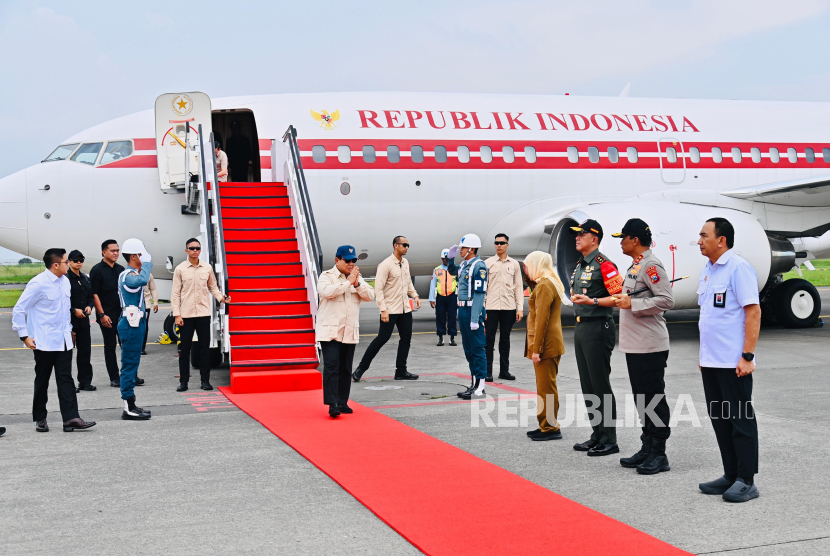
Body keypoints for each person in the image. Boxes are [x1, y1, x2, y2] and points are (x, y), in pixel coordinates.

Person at [696, 217, 761, 503]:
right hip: (711, 361)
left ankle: (746, 480)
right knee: (721, 419)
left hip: (734, 363)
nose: (699, 241)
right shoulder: (708, 270)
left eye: (704, 235)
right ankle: (730, 473)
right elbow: (711, 316)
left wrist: (747, 356)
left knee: (740, 421)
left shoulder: (738, 267)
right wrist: (704, 355)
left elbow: (753, 312)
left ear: (721, 240)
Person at [611, 219, 675, 474]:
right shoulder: (636, 265)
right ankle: (647, 447)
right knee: (642, 399)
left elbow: (666, 300)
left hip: (650, 344)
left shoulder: (651, 265)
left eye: (623, 237)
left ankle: (659, 453)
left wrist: (633, 305)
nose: (621, 242)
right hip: (636, 345)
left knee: (653, 398)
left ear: (635, 240)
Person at [12, 248, 96, 433]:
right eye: (66, 262)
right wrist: (24, 336)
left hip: (63, 339)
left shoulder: (65, 282)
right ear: (56, 264)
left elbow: (64, 310)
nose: (69, 264)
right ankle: (40, 418)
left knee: (66, 379)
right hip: (43, 341)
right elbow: (19, 309)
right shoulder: (38, 284)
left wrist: (69, 330)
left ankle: (71, 418)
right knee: (42, 380)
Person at [569, 219, 622, 457]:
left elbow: (620, 297)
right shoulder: (581, 264)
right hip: (582, 328)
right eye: (577, 234)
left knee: (600, 384)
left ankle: (609, 439)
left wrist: (594, 302)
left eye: (582, 234)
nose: (577, 237)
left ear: (595, 238)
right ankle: (597, 433)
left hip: (599, 327)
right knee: (588, 385)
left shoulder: (605, 264)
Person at [352, 236, 420, 381]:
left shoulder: (405, 262)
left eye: (408, 245)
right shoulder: (385, 265)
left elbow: (408, 282)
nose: (407, 247)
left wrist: (415, 295)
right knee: (382, 338)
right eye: (404, 245)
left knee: (406, 338)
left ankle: (401, 371)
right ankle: (361, 369)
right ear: (396, 245)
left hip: (405, 309)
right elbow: (379, 289)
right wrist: (383, 309)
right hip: (390, 309)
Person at [317, 245, 375, 418]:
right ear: (337, 260)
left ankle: (342, 402)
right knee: (331, 367)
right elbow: (326, 292)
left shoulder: (357, 278)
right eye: (347, 260)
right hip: (331, 330)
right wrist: (347, 283)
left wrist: (356, 283)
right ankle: (332, 404)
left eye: (353, 260)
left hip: (349, 331)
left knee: (345, 369)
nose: (351, 263)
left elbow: (370, 296)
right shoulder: (326, 276)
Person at [171, 238, 231, 391]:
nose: (195, 250)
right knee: (184, 349)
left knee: (204, 348)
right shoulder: (180, 269)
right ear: (186, 251)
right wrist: (177, 315)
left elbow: (213, 287)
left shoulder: (207, 268)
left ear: (200, 250)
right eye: (192, 248)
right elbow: (175, 293)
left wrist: (221, 298)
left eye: (197, 248)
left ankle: (205, 381)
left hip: (203, 314)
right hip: (186, 315)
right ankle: (183, 382)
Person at [523, 251, 570, 441]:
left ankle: (550, 427)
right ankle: (545, 424)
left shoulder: (544, 286)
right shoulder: (548, 281)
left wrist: (537, 350)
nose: (525, 269)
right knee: (545, 386)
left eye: (527, 266)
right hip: (550, 342)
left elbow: (542, 320)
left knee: (546, 388)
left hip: (546, 344)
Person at [117, 239, 154, 420]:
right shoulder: (127, 275)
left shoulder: (131, 273)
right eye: (141, 254)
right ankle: (128, 406)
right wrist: (147, 263)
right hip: (130, 324)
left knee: (133, 364)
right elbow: (142, 279)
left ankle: (131, 404)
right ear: (134, 256)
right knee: (129, 365)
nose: (144, 258)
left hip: (135, 323)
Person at [452, 234, 489, 399]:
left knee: (477, 349)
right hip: (463, 311)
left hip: (473, 310)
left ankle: (480, 387)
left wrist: (475, 318)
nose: (461, 251)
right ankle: (474, 384)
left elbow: (480, 294)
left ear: (472, 249)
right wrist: (450, 259)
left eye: (463, 248)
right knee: (469, 350)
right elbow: (453, 271)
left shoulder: (479, 266)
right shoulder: (465, 265)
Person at [484, 233, 524, 382]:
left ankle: (504, 371)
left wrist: (519, 308)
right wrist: (483, 308)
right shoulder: (487, 263)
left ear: (507, 245)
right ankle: (488, 372)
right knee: (489, 340)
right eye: (496, 243)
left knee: (505, 340)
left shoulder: (514, 264)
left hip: (508, 307)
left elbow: (518, 287)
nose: (499, 245)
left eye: (502, 243)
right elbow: (483, 288)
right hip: (491, 307)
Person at [90, 240, 126, 388]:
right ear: (104, 252)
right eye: (112, 251)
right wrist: (101, 314)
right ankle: (114, 377)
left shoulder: (121, 269)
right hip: (107, 315)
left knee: (126, 345)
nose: (116, 253)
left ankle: (129, 375)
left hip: (123, 314)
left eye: (117, 250)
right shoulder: (97, 270)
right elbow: (94, 294)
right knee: (110, 346)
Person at [67, 249, 96, 392]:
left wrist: (90, 307)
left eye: (81, 260)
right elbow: (62, 301)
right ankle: (68, 383)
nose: (79, 263)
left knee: (85, 352)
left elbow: (91, 296)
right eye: (76, 260)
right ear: (69, 262)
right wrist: (73, 310)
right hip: (69, 321)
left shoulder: (85, 278)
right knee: (66, 354)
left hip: (84, 320)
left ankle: (85, 382)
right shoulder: (65, 279)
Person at [429, 248, 458, 347]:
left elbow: (460, 283)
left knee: (452, 317)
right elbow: (433, 284)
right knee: (440, 317)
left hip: (452, 296)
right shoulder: (437, 270)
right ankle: (440, 338)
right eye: (445, 259)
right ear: (442, 259)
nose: (446, 261)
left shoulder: (454, 270)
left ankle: (452, 338)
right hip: (441, 297)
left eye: (448, 259)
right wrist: (431, 298)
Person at [142, 274, 159, 355]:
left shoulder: (148, 274)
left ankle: (142, 347)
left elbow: (153, 289)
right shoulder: (130, 273)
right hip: (133, 304)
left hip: (146, 304)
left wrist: (155, 302)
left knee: (144, 326)